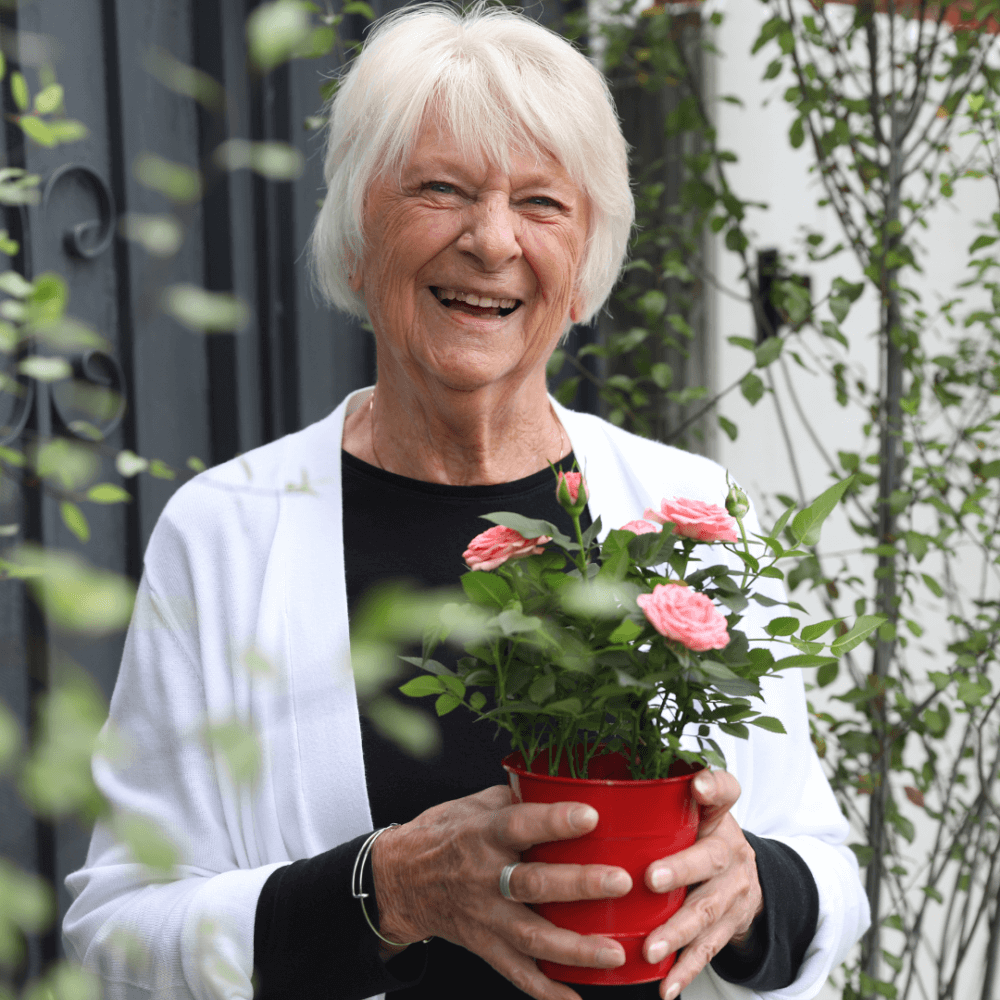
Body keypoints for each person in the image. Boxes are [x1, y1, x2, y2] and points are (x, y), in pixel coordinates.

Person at [63, 6, 869, 1000]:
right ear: (358, 238)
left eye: (540, 203)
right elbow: (118, 928)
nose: (491, 241)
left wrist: (751, 894)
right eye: (440, 190)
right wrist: (381, 890)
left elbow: (824, 868)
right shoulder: (225, 532)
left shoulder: (691, 512)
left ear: (582, 270)